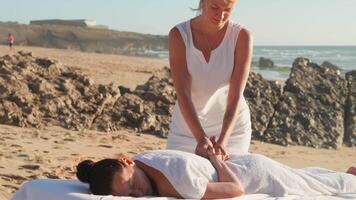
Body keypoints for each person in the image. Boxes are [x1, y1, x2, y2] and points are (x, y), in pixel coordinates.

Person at [76, 148, 356, 199]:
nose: (139, 193)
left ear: (127, 162)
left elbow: (236, 191)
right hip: (243, 163)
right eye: (130, 194)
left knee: (319, 188)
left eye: (134, 185)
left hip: (255, 175)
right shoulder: (143, 160)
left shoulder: (180, 184)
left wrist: (214, 159)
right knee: (309, 176)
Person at [167, 0, 253, 160]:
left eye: (228, 10)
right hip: (187, 129)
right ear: (203, 2)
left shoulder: (241, 37)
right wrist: (200, 138)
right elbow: (183, 93)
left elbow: (235, 96)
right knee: (179, 180)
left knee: (228, 180)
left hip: (231, 130)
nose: (220, 15)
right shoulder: (179, 35)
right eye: (215, 7)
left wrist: (223, 140)